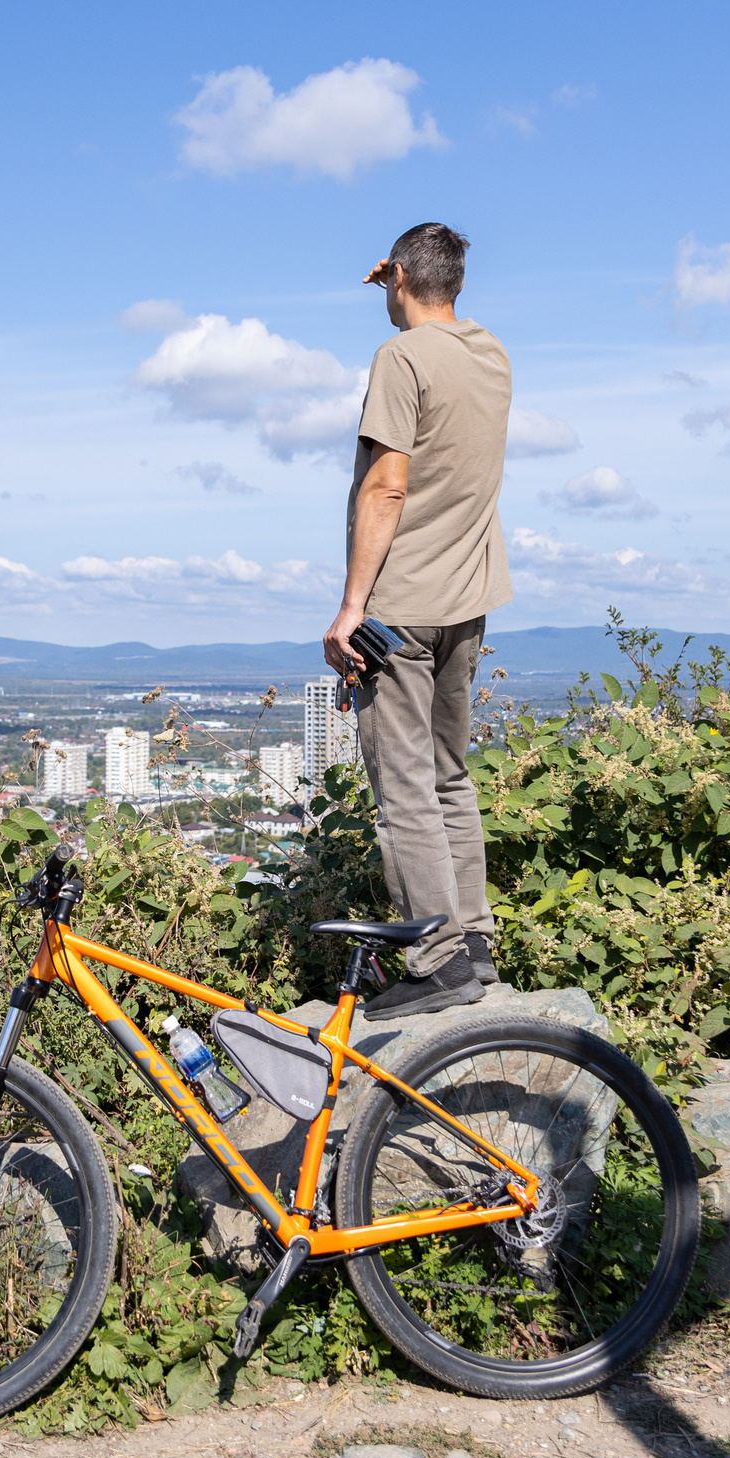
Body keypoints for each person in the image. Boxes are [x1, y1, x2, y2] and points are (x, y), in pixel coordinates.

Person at [321, 222, 511, 1020]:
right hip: (466, 603)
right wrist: (406, 282)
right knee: (448, 777)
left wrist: (352, 606)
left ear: (396, 275)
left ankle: (433, 963)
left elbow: (388, 486)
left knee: (402, 787)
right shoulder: (491, 354)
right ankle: (473, 941)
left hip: (398, 610)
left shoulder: (398, 359)